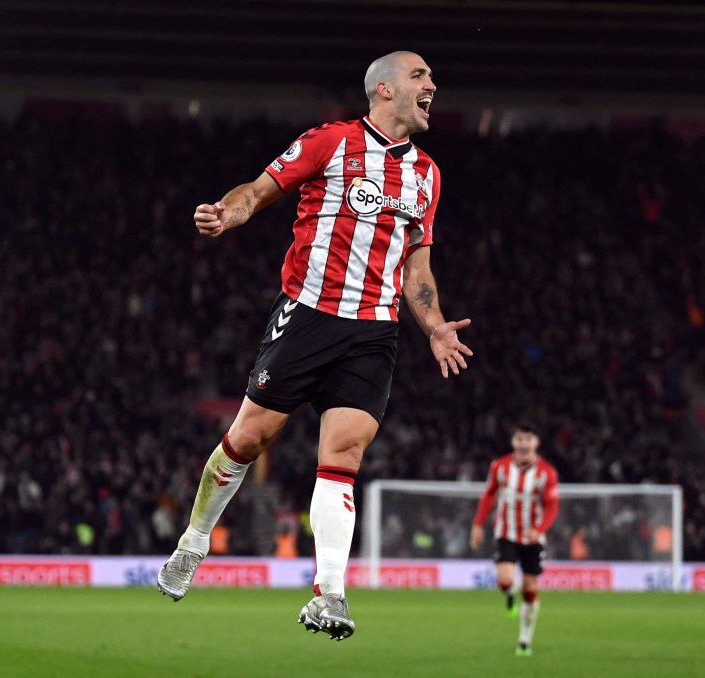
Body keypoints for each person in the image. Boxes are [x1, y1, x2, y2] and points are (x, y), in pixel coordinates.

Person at [156, 51, 473, 642]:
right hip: (308, 316)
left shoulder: (427, 174)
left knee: (345, 453)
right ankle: (193, 542)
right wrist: (229, 212)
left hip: (374, 333)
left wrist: (433, 325)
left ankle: (330, 594)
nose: (433, 84)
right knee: (249, 438)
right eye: (420, 76)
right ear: (383, 89)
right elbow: (258, 189)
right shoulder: (330, 142)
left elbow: (418, 267)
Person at [469, 423, 559, 657]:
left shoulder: (546, 472)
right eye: (520, 439)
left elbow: (552, 506)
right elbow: (489, 495)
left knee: (530, 590)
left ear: (536, 443)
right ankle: (510, 594)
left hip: (533, 538)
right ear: (513, 443)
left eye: (528, 439)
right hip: (506, 533)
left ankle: (524, 639)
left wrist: (539, 530)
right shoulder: (499, 467)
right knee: (505, 580)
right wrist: (478, 525)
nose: (524, 444)